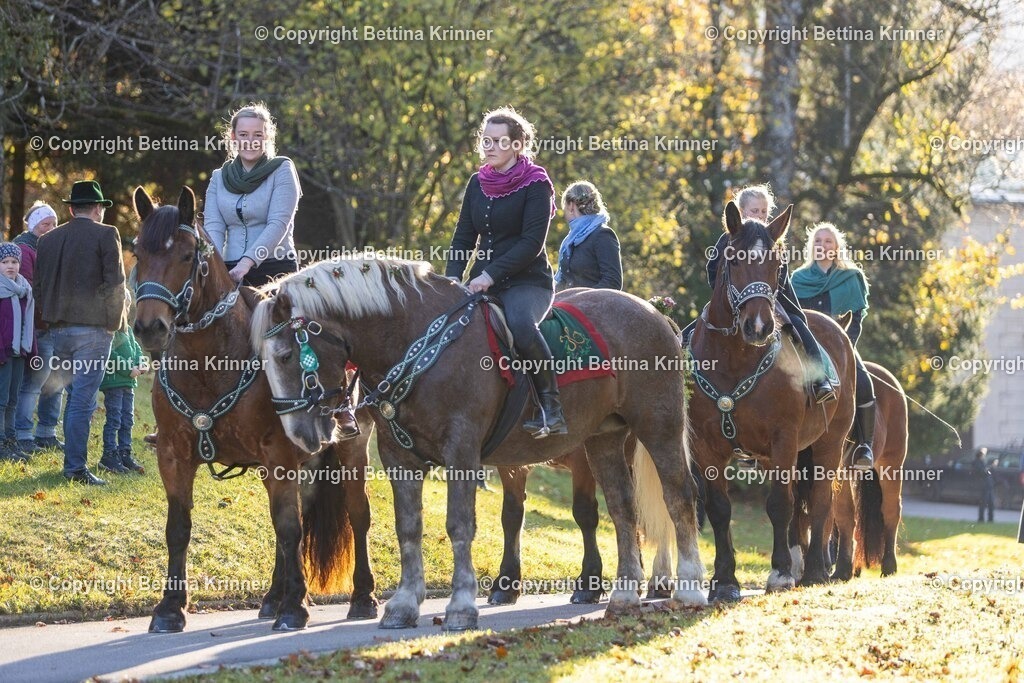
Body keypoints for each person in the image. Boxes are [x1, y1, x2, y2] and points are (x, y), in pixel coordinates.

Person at [446, 106, 566, 438]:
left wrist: (489, 276)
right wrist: (452, 277)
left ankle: (551, 407)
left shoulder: (537, 184)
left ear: (517, 145)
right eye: (486, 140)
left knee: (520, 327)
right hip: (484, 280)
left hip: (529, 282)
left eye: (499, 141)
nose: (490, 147)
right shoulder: (477, 183)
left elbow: (531, 243)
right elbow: (464, 237)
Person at [687, 184, 836, 404]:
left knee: (799, 325)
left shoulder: (772, 241)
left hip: (773, 299)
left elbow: (781, 277)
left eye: (764, 212)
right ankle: (675, 371)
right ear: (742, 212)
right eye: (754, 211)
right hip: (734, 299)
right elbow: (712, 270)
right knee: (692, 330)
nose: (760, 216)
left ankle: (820, 379)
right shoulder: (728, 239)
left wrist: (766, 293)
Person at [34, 180, 126, 485]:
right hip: (93, 331)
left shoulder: (47, 240)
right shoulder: (106, 234)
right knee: (82, 401)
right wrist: (114, 324)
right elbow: (115, 284)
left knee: (73, 396)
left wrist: (49, 319)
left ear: (71, 208)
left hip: (58, 330)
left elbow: (39, 287)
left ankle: (72, 461)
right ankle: (74, 468)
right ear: (98, 209)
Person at [791, 222, 874, 470]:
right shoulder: (797, 279)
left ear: (837, 247)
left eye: (828, 241)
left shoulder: (851, 278)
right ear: (811, 247)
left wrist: (846, 350)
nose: (822, 245)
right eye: (817, 241)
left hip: (842, 346)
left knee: (863, 381)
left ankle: (864, 446)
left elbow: (856, 319)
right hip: (804, 348)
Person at [203, 102, 300, 287]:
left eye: (258, 135)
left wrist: (246, 263)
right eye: (243, 135)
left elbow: (278, 224)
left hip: (275, 269)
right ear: (233, 137)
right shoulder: (218, 177)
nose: (251, 141)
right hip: (228, 270)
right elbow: (213, 227)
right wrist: (214, 266)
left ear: (267, 137)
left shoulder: (282, 170)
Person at [13, 202, 64, 455]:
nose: (51, 228)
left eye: (54, 224)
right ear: (34, 225)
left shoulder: (52, 248)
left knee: (56, 381)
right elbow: (30, 289)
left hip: (56, 325)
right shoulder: (24, 249)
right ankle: (22, 433)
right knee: (34, 382)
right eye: (46, 224)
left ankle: (47, 432)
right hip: (38, 327)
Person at [97, 289, 146, 474]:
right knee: (114, 419)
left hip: (128, 384)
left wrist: (141, 362)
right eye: (119, 305)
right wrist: (128, 369)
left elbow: (137, 349)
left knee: (128, 420)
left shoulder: (128, 330)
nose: (123, 309)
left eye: (125, 305)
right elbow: (110, 354)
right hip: (114, 382)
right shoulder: (109, 329)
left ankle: (124, 453)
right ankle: (109, 455)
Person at [0, 243, 36, 462]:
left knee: (13, 398)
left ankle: (11, 440)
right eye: (4, 262)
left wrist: (32, 351)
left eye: (14, 262)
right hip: (2, 353)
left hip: (18, 353)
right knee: (1, 400)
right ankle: (1, 442)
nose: (10, 266)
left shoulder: (24, 290)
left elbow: (27, 324)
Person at [554, 181, 622, 291]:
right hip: (569, 304)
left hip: (594, 305)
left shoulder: (603, 235)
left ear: (571, 206)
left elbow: (612, 282)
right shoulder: (569, 241)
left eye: (564, 207)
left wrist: (579, 299)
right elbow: (564, 281)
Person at [974, 447, 995, 523]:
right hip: (983, 485)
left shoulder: (983, 461)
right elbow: (981, 472)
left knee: (991, 503)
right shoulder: (977, 462)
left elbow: (987, 471)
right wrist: (990, 467)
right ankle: (981, 519)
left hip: (989, 485)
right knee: (983, 503)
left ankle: (990, 519)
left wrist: (990, 467)